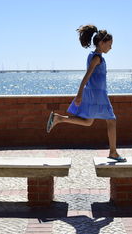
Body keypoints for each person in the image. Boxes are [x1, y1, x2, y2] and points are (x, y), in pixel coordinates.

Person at [46, 24, 126, 162]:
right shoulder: (97, 58)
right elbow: (86, 76)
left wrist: (82, 93)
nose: (111, 47)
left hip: (93, 93)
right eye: (110, 44)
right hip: (97, 95)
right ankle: (113, 152)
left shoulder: (93, 55)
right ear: (101, 43)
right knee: (111, 121)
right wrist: (79, 94)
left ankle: (59, 118)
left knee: (88, 121)